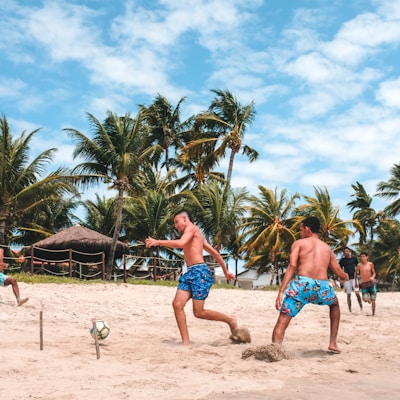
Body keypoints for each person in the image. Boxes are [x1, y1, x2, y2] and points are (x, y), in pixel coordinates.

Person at [145, 210, 249, 345]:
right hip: (190, 273)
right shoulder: (197, 235)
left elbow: (181, 243)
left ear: (185, 219)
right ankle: (186, 342)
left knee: (199, 312)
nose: (176, 226)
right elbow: (216, 254)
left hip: (200, 273)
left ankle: (230, 319)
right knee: (177, 304)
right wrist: (226, 272)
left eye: (177, 222)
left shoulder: (192, 229)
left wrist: (157, 242)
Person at [272, 216, 349, 353]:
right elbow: (340, 274)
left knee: (283, 319)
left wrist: (281, 291)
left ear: (307, 229)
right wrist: (346, 276)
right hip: (323, 287)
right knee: (334, 305)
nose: (300, 233)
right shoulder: (327, 249)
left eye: (301, 230)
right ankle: (333, 343)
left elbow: (292, 266)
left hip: (303, 284)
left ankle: (275, 349)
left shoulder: (299, 244)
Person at [339, 247, 363, 312]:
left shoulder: (354, 259)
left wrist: (358, 274)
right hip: (347, 279)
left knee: (357, 293)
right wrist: (341, 277)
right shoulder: (342, 260)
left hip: (354, 278)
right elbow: (339, 269)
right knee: (348, 294)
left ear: (349, 251)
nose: (345, 252)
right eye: (344, 251)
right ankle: (350, 309)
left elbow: (358, 267)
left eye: (346, 251)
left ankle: (361, 307)